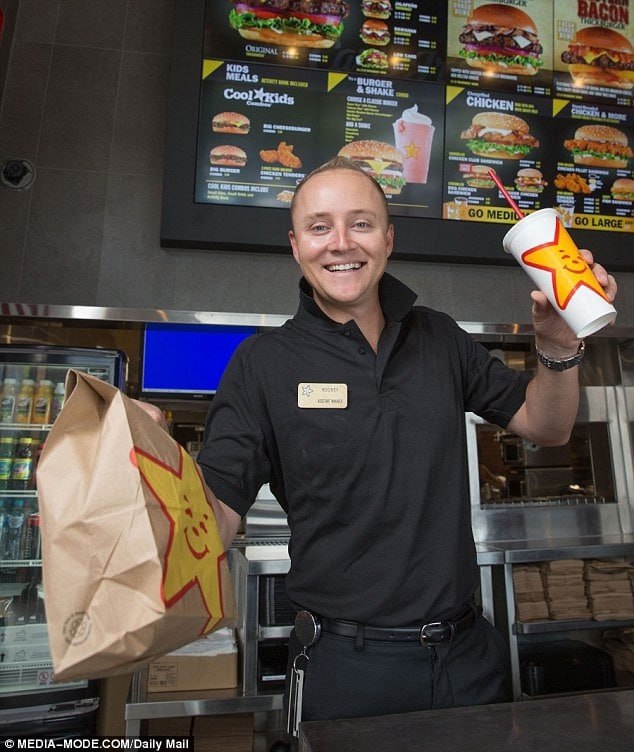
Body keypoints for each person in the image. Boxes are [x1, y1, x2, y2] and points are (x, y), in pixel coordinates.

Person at [149, 157, 617, 737]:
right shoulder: (261, 364)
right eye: (319, 227)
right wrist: (145, 466)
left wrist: (558, 345)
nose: (341, 243)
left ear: (388, 239)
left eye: (361, 223)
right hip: (346, 669)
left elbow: (547, 426)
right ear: (296, 246)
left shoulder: (439, 337)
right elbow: (215, 516)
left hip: (467, 657)